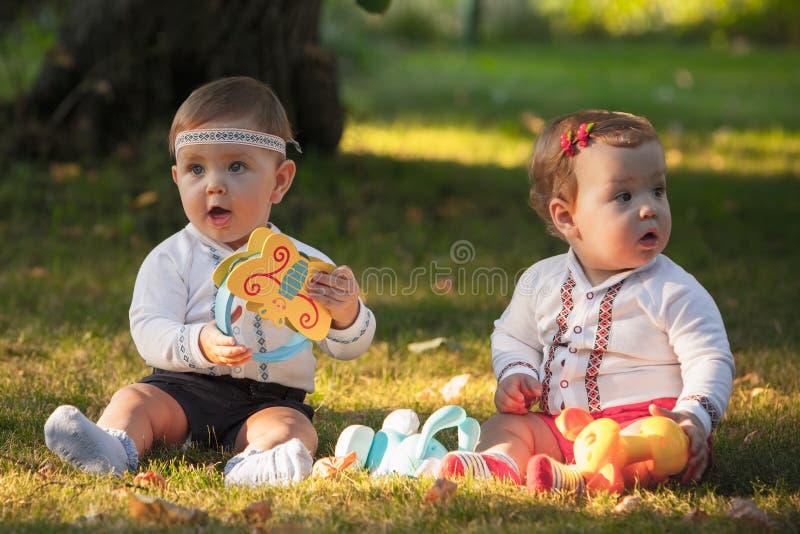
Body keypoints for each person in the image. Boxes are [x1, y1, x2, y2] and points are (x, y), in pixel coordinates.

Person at [44, 76, 375, 486]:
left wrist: (345, 314)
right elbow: (149, 329)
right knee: (135, 400)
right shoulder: (171, 258)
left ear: (280, 181)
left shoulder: (305, 265)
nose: (214, 184)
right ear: (177, 179)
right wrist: (198, 342)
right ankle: (113, 446)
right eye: (196, 169)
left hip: (268, 400)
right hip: (180, 389)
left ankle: (258, 464)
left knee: (294, 429)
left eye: (237, 166)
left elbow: (349, 347)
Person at [438, 110, 734, 492]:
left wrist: (692, 416)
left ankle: (575, 477)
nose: (649, 208)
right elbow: (514, 337)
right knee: (506, 426)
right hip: (562, 425)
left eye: (658, 191)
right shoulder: (541, 281)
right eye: (624, 196)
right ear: (566, 217)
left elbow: (709, 357)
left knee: (655, 449)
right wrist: (515, 372)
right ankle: (501, 463)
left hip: (643, 427)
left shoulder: (672, 290)